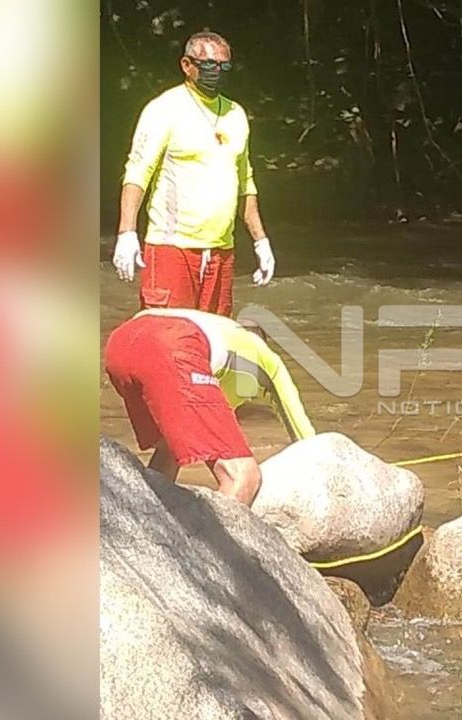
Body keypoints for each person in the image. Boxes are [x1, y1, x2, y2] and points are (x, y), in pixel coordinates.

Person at [112, 30, 276, 316]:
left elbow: (245, 183)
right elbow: (138, 173)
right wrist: (127, 232)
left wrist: (261, 242)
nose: (217, 72)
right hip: (171, 247)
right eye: (209, 66)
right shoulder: (164, 110)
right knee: (169, 337)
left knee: (212, 341)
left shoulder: (235, 115)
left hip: (220, 251)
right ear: (187, 65)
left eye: (224, 67)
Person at [103, 308, 315, 504]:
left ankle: (143, 525)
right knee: (243, 475)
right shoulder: (267, 360)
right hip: (172, 344)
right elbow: (308, 440)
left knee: (169, 448)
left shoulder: (221, 328)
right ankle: (205, 546)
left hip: (120, 344)